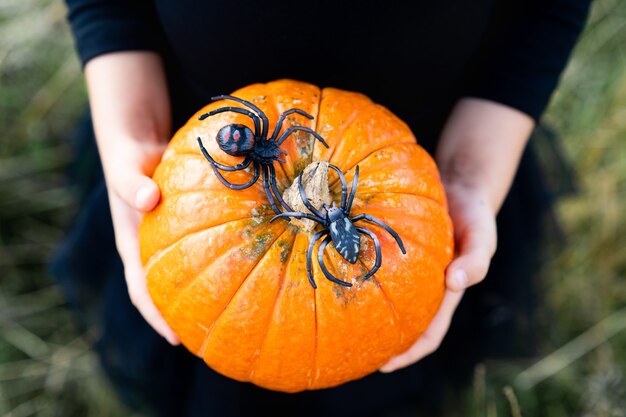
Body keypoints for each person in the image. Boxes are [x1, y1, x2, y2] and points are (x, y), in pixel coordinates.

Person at [52, 1, 591, 415]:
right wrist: (132, 130)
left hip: (426, 163)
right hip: (190, 148)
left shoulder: (375, 228)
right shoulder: (230, 156)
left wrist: (470, 173)